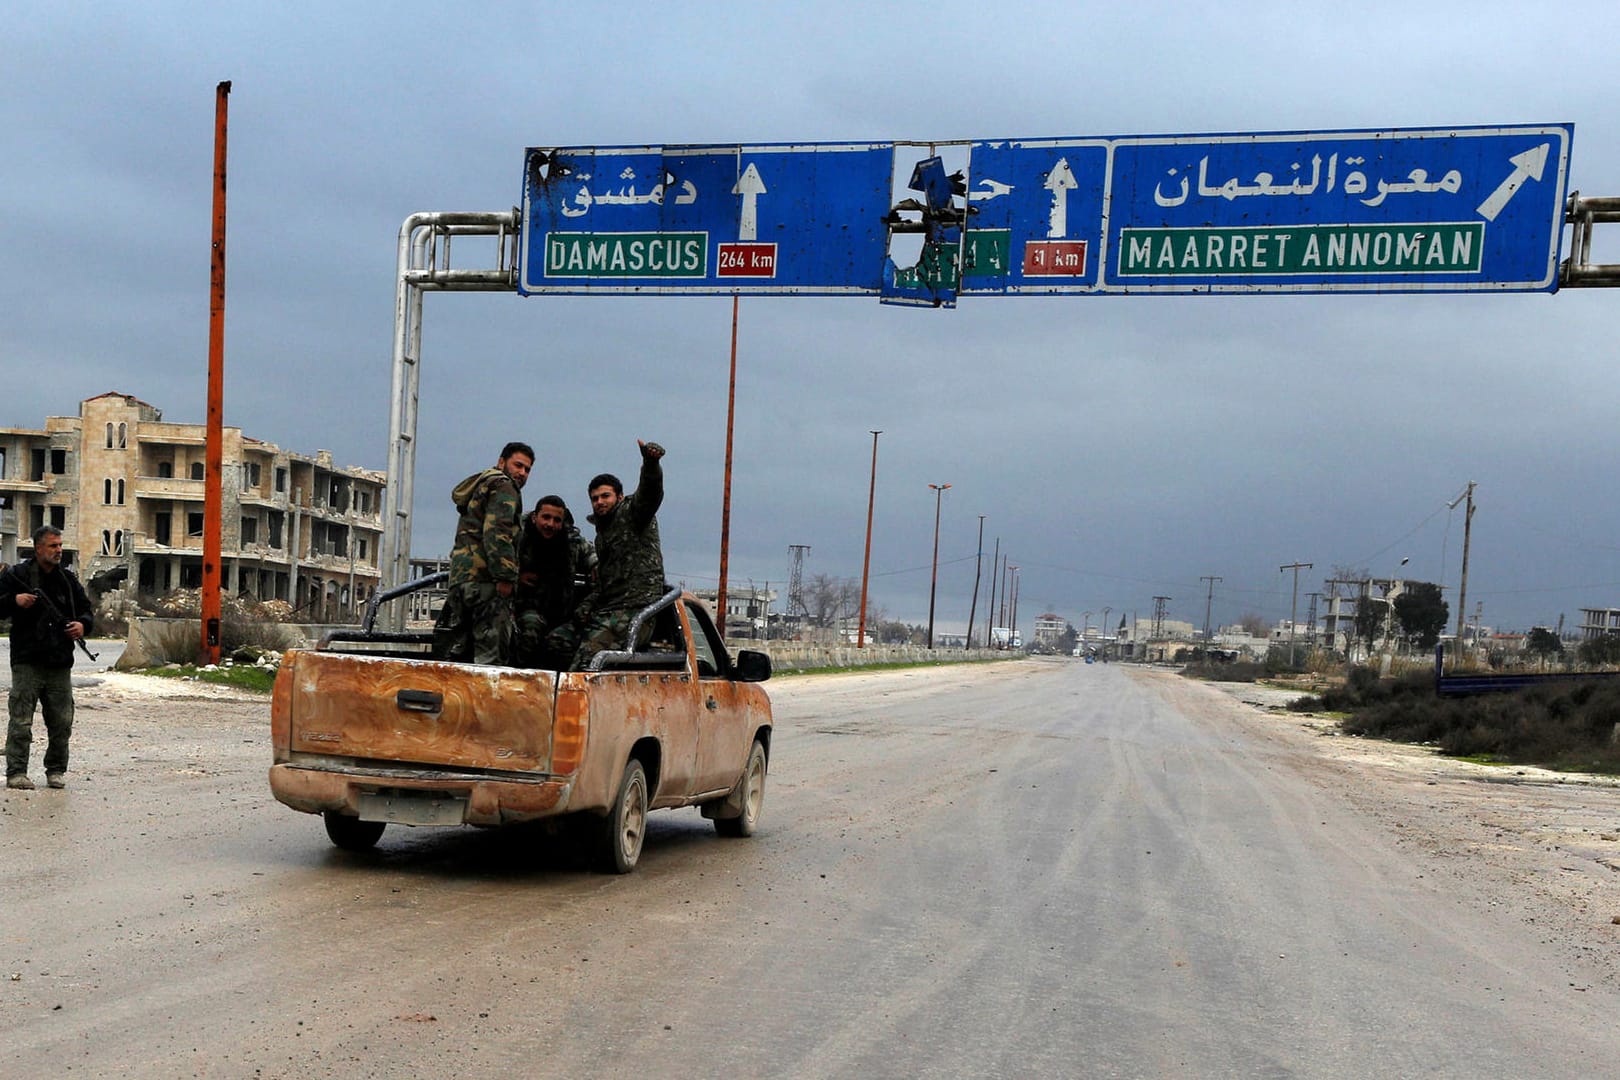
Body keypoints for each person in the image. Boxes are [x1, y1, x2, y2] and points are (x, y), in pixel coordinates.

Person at [560, 439, 667, 669]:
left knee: (586, 661)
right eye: (594, 498)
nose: (599, 502)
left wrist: (650, 463)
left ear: (619, 497)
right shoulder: (602, 534)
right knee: (556, 642)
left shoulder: (633, 514)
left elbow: (650, 493)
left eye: (605, 496)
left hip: (636, 610)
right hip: (609, 608)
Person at [2, 526, 94, 790]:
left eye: (60, 545)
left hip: (59, 662)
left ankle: (55, 770)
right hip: (27, 660)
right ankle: (16, 772)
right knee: (21, 720)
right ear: (39, 548)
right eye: (53, 546)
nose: (58, 550)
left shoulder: (66, 579)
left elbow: (86, 611)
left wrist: (82, 626)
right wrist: (14, 601)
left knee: (62, 722)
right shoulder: (17, 576)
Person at [433, 441, 533, 665]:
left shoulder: (481, 486)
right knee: (490, 661)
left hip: (461, 581)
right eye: (518, 465)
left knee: (461, 655)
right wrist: (506, 577)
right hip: (485, 583)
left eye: (527, 469)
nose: (522, 473)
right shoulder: (503, 485)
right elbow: (497, 533)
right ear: (501, 462)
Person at [514, 495, 597, 668]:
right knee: (531, 629)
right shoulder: (519, 536)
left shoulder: (571, 541)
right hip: (525, 608)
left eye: (556, 520)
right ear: (535, 517)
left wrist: (596, 566)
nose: (550, 524)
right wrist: (517, 576)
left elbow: (592, 555)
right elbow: (499, 562)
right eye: (546, 517)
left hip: (561, 612)